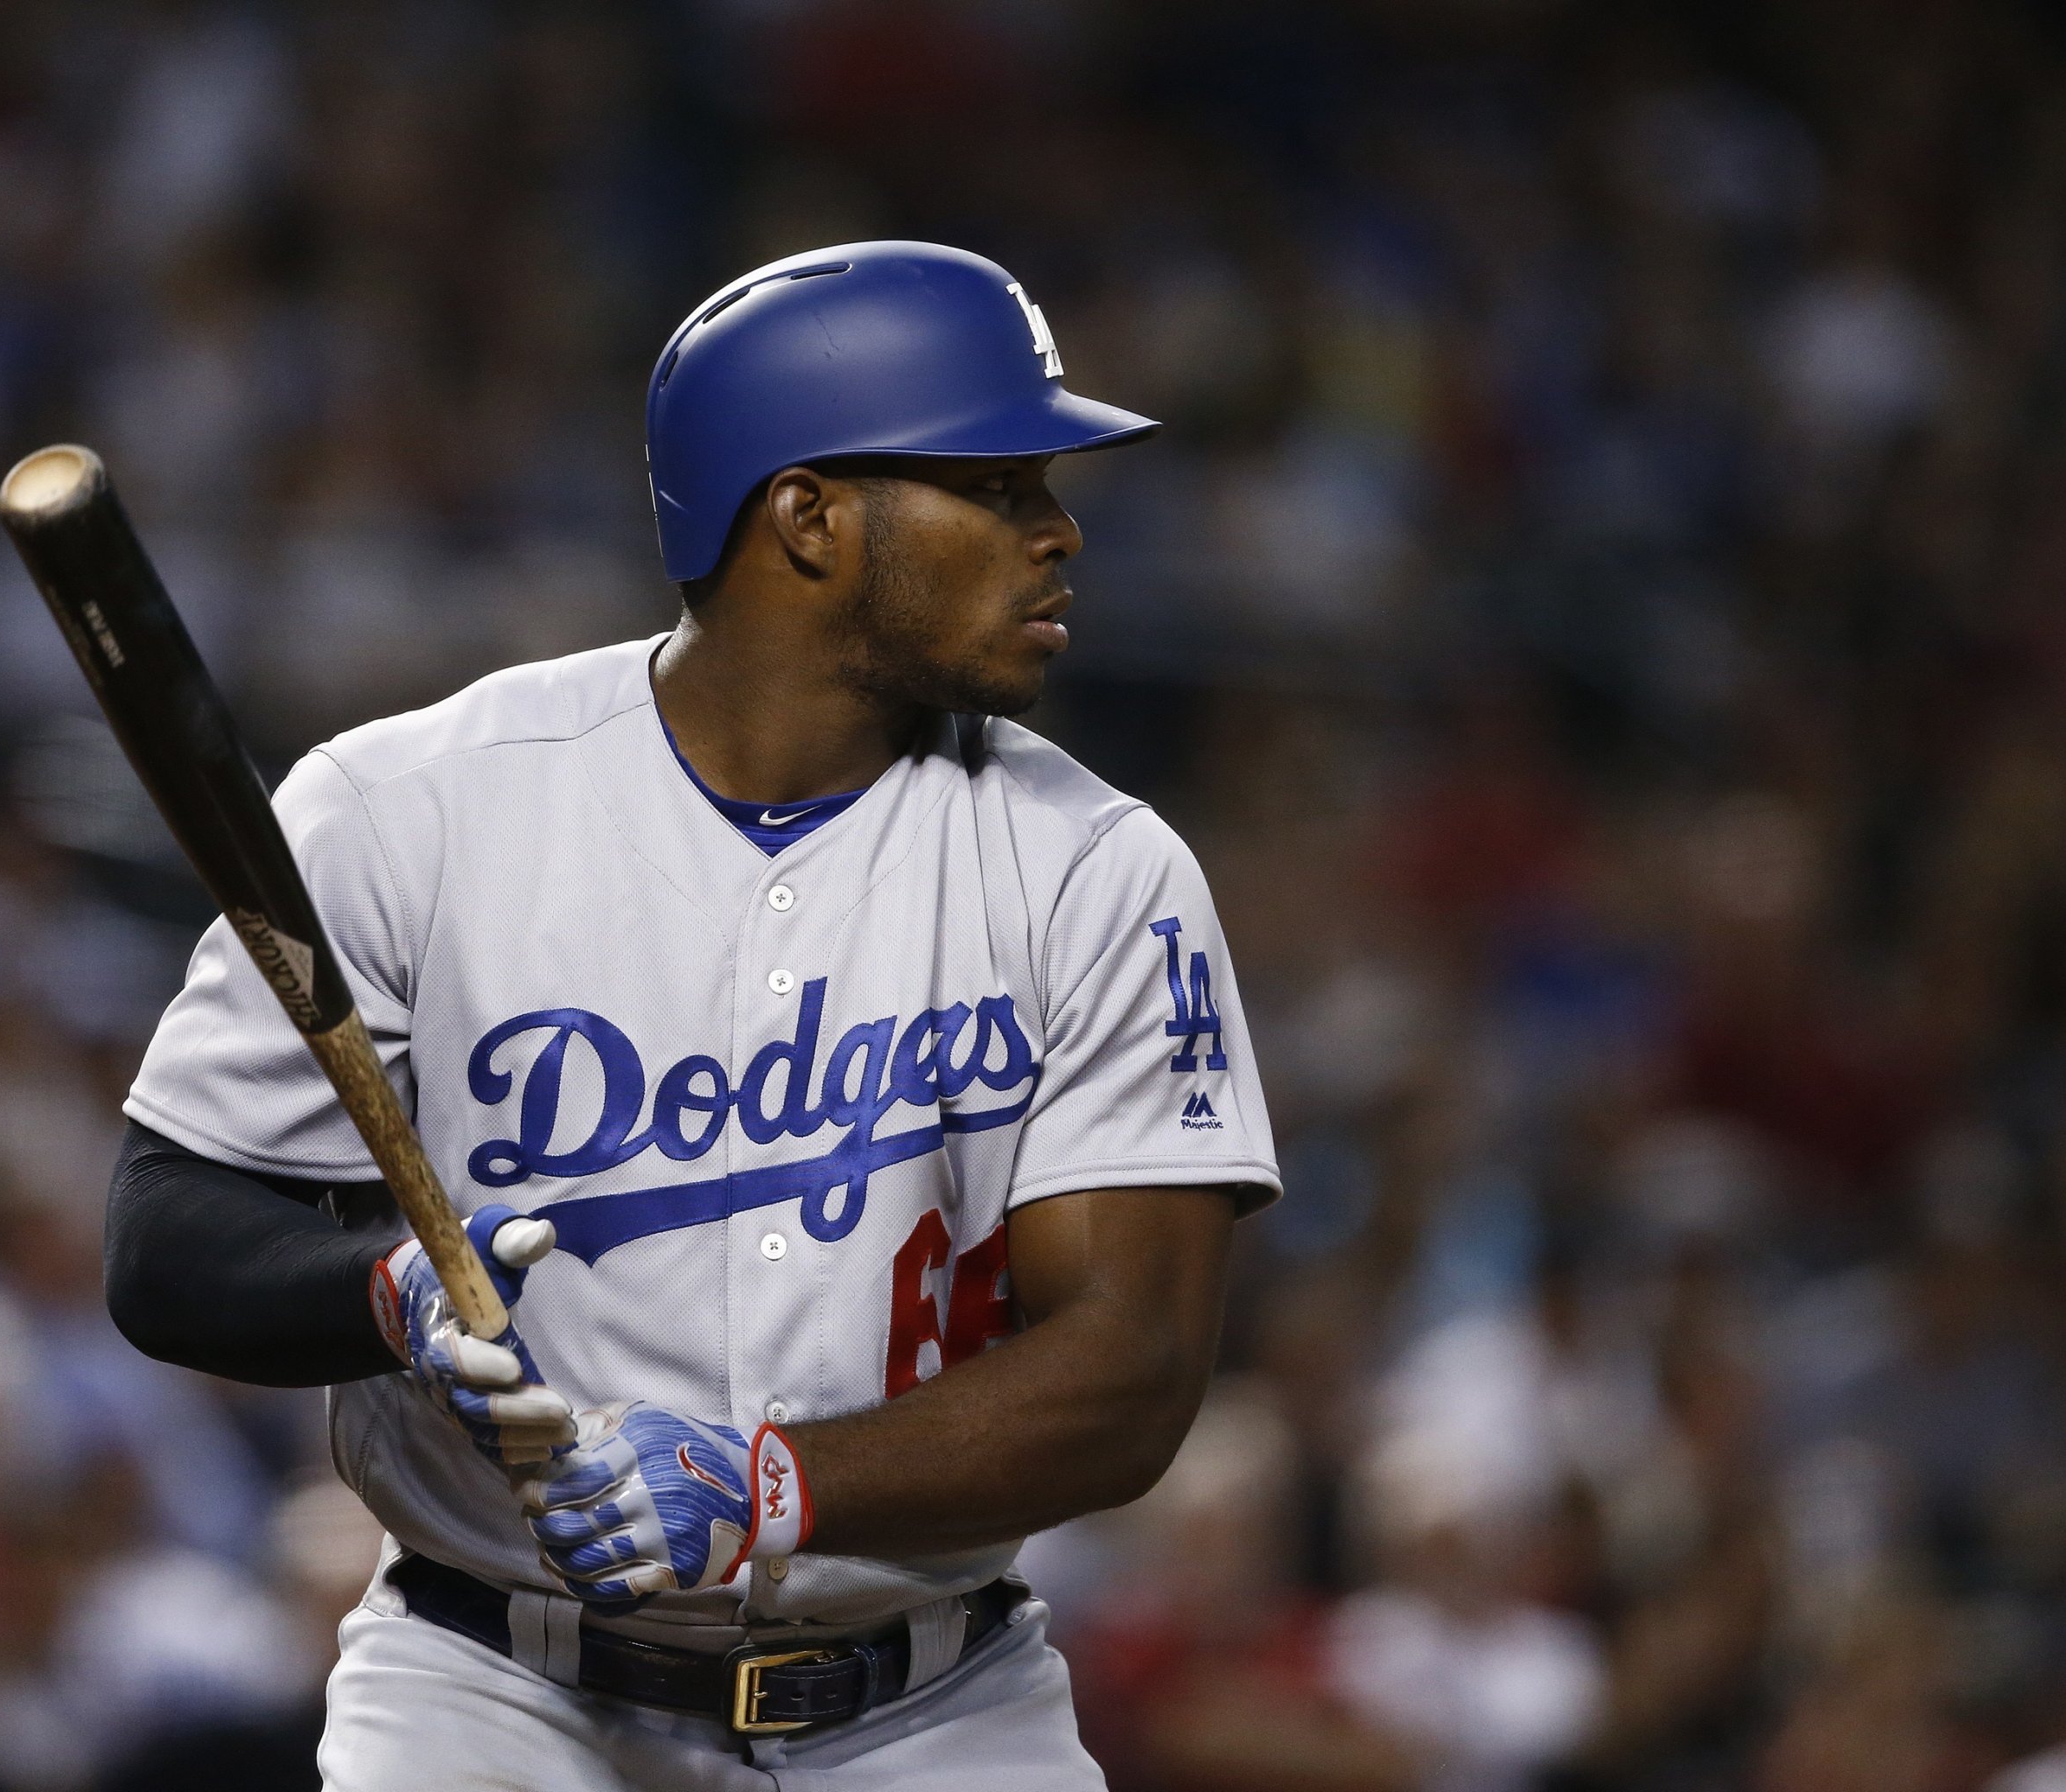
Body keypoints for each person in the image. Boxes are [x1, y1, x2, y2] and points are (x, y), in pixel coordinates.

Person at [103, 240, 1282, 1789]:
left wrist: (765, 1483)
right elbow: (168, 1240)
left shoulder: (1102, 873)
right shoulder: (410, 813)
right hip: (493, 1698)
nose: (1058, 532)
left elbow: (1132, 1368)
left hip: (940, 1709)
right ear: (804, 518)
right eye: (995, 485)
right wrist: (384, 1298)